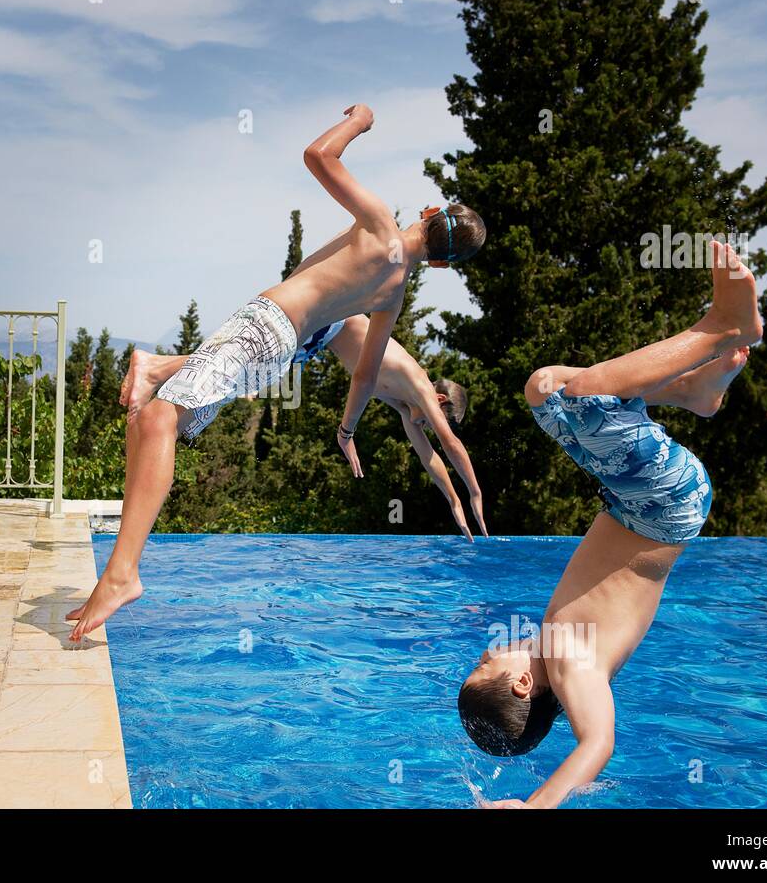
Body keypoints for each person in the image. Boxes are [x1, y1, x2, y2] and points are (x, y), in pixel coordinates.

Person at [67, 104, 486, 641]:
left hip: (267, 325)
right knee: (150, 421)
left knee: (156, 423)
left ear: (430, 211)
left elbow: (318, 155)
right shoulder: (394, 293)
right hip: (279, 347)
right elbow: (364, 374)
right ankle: (124, 555)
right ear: (444, 264)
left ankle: (123, 574)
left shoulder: (381, 223)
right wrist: (347, 430)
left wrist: (360, 120)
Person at [457, 240, 760, 808]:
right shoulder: (572, 666)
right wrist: (538, 806)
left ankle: (692, 392)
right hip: (662, 506)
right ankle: (723, 327)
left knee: (543, 389)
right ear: (523, 684)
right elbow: (597, 741)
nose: (488, 649)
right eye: (485, 663)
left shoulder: (557, 652)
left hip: (631, 503)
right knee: (588, 396)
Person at [121, 310, 489, 538]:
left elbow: (430, 458)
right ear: (440, 402)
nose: (428, 427)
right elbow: (450, 445)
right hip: (331, 320)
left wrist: (454, 502)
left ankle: (156, 366)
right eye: (440, 420)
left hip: (325, 332)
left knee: (249, 373)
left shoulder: (404, 404)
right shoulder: (419, 385)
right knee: (249, 371)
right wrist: (475, 492)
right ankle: (154, 366)